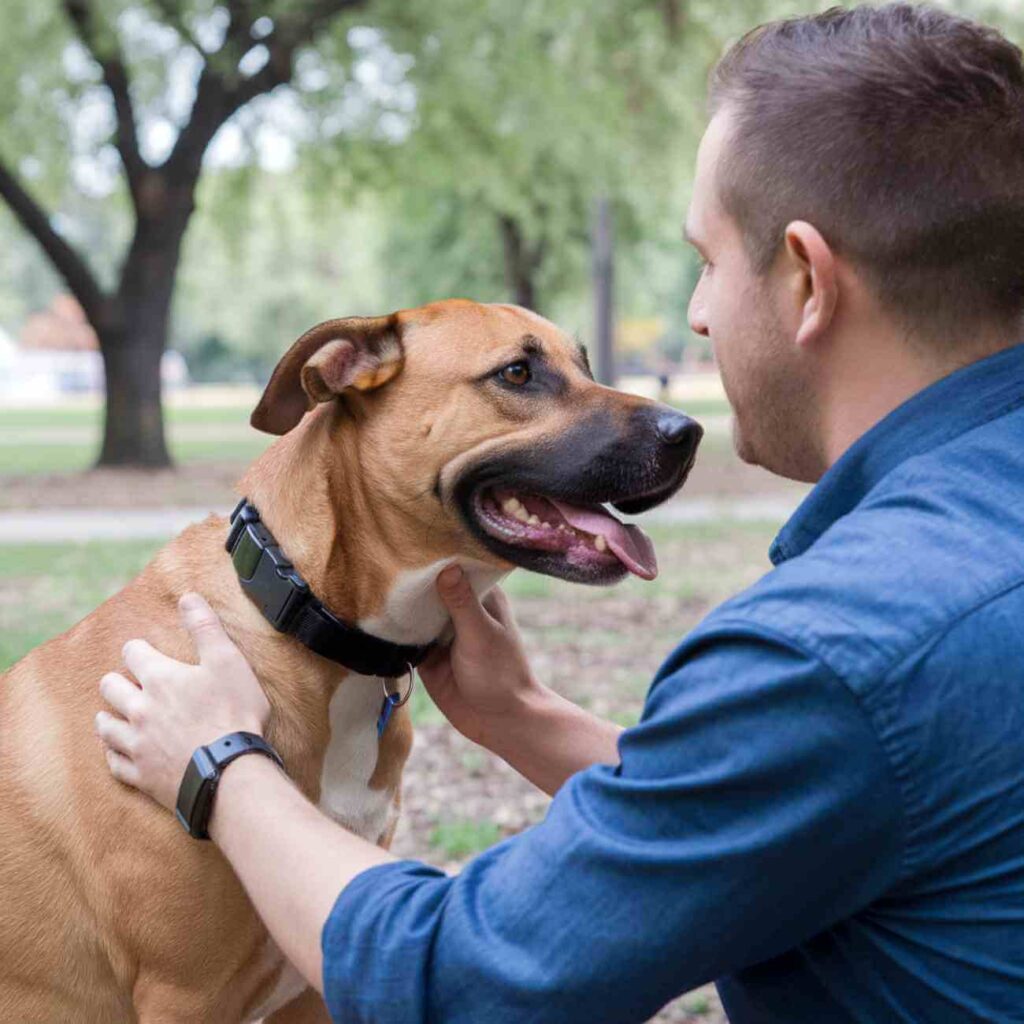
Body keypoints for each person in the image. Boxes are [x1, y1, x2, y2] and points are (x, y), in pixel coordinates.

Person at [95, 5, 1024, 1021]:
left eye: (706, 261)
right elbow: (789, 808)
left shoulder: (841, 650)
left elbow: (462, 985)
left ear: (804, 278)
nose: (698, 314)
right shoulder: (934, 591)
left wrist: (223, 764)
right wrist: (524, 720)